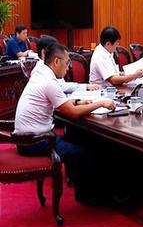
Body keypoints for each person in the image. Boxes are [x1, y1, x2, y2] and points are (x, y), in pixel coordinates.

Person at [15, 42, 116, 204]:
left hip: (28, 137)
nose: (68, 67)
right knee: (83, 152)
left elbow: (64, 105)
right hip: (34, 141)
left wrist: (79, 102)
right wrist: (100, 103)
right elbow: (72, 113)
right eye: (67, 62)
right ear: (56, 61)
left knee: (79, 139)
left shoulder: (42, 73)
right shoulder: (49, 81)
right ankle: (92, 197)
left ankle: (82, 189)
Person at [34, 35, 100, 93]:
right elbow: (60, 87)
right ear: (43, 53)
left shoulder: (49, 67)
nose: (67, 68)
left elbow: (62, 85)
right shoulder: (40, 71)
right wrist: (85, 87)